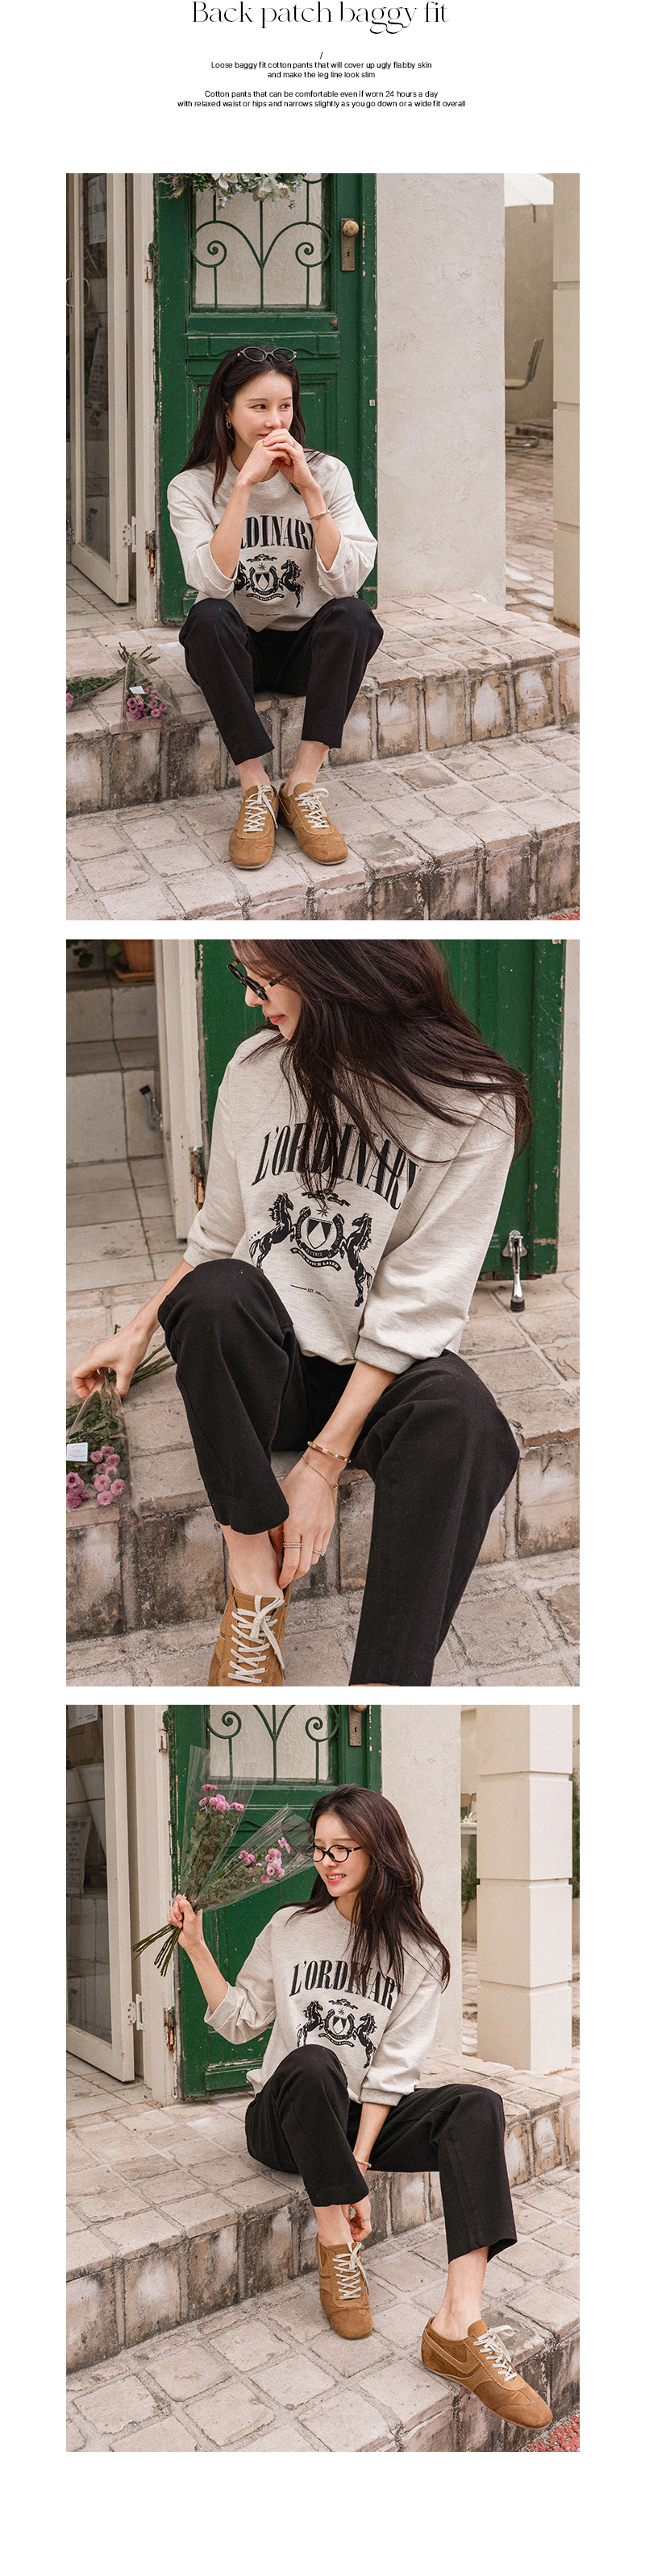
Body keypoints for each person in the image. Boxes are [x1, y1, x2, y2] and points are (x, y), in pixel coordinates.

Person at [72, 938, 530, 1689]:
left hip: (374, 1377)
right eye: (243, 977)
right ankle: (252, 1576)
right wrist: (136, 1329)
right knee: (215, 1294)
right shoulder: (256, 1072)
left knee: (466, 1419)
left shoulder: (473, 1106)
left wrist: (323, 1464)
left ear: (338, 973)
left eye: (264, 980)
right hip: (271, 1365)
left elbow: (418, 1306)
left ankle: (385, 1685)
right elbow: (215, 1237)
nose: (250, 999)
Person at [166, 1786, 551, 2432]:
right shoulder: (288, 1927)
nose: (326, 1861)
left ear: (380, 1849)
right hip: (284, 2116)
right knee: (314, 2059)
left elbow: (393, 2071)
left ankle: (457, 2325)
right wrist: (197, 1946)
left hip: (354, 2118)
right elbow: (239, 2021)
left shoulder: (417, 1953)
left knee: (478, 2105)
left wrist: (359, 2162)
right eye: (319, 1848)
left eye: (341, 1848)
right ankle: (336, 2244)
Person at [167, 344, 381, 871]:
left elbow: (348, 577)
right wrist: (242, 486)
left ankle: (301, 785)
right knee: (207, 618)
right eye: (258, 407)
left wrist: (309, 491)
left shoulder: (328, 473)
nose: (274, 421)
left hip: (304, 650)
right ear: (227, 412)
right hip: (238, 650)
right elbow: (211, 581)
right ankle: (257, 787)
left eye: (284, 406)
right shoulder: (191, 487)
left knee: (354, 616)